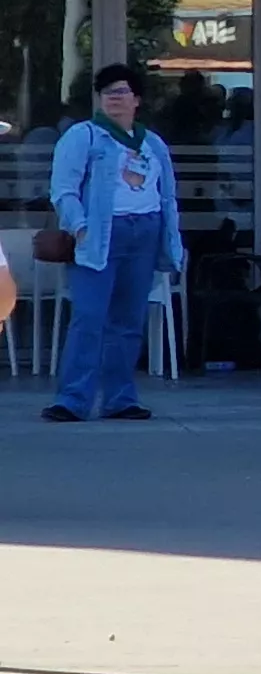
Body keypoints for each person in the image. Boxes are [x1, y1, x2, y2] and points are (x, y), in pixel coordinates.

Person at [43, 64, 186, 425]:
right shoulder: (83, 136)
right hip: (101, 235)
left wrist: (172, 241)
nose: (114, 98)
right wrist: (79, 226)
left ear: (137, 100)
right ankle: (73, 398)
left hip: (145, 232)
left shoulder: (152, 143)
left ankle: (121, 398)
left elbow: (167, 195)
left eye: (121, 91)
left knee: (128, 320)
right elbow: (64, 189)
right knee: (89, 318)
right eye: (107, 92)